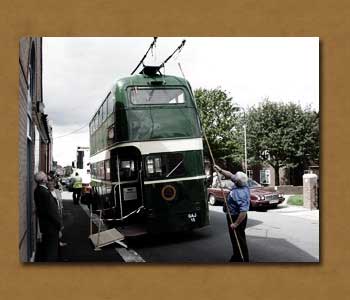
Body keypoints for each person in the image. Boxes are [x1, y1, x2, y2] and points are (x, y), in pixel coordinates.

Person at [214, 165, 250, 262]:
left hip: (237, 218)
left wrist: (235, 224)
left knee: (239, 239)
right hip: (232, 216)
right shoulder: (241, 182)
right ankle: (237, 256)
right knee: (235, 239)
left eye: (235, 178)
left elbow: (243, 212)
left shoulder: (241, 193)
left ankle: (243, 259)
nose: (233, 177)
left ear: (237, 182)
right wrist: (220, 169)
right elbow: (230, 175)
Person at [34, 171, 62, 261]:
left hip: (45, 225)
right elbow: (51, 211)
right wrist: (59, 224)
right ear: (43, 180)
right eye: (45, 177)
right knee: (52, 250)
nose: (47, 177)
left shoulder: (37, 190)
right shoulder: (44, 192)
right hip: (51, 226)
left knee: (47, 247)